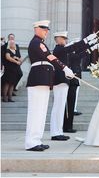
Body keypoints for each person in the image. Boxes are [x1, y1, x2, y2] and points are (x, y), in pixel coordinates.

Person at [25, 20, 74, 152]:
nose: (46, 31)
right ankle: (31, 142)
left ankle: (36, 140)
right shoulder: (36, 43)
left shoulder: (40, 43)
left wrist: (64, 68)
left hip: (43, 80)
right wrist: (64, 67)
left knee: (41, 112)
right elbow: (50, 57)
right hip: (38, 80)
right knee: (36, 112)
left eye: (47, 29)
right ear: (36, 29)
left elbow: (50, 58)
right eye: (43, 28)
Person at [51, 30, 98, 139]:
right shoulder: (59, 49)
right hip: (60, 80)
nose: (65, 40)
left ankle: (58, 132)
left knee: (60, 106)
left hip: (64, 80)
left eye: (65, 38)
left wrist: (89, 44)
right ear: (58, 39)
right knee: (58, 107)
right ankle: (56, 132)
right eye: (63, 38)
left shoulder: (62, 49)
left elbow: (76, 49)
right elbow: (73, 48)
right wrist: (87, 40)